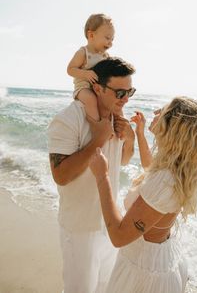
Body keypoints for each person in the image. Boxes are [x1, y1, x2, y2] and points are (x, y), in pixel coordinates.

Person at [89, 96, 197, 293]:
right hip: (158, 258)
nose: (156, 113)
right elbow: (151, 169)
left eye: (162, 111)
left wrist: (102, 175)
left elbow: (119, 236)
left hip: (145, 274)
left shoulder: (165, 181)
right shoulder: (175, 170)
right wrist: (139, 133)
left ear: (173, 128)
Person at [48, 57, 136, 293]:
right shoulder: (67, 119)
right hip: (80, 228)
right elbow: (61, 176)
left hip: (109, 224)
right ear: (97, 88)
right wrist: (98, 139)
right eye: (120, 93)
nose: (126, 99)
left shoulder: (117, 119)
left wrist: (130, 137)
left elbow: (123, 161)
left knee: (106, 288)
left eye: (130, 92)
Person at [67, 13, 115, 121]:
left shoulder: (105, 56)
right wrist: (85, 74)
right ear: (91, 35)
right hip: (83, 88)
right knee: (91, 99)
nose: (110, 43)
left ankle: (114, 124)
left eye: (112, 39)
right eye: (107, 38)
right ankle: (96, 126)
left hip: (98, 88)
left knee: (112, 99)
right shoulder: (83, 53)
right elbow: (70, 69)